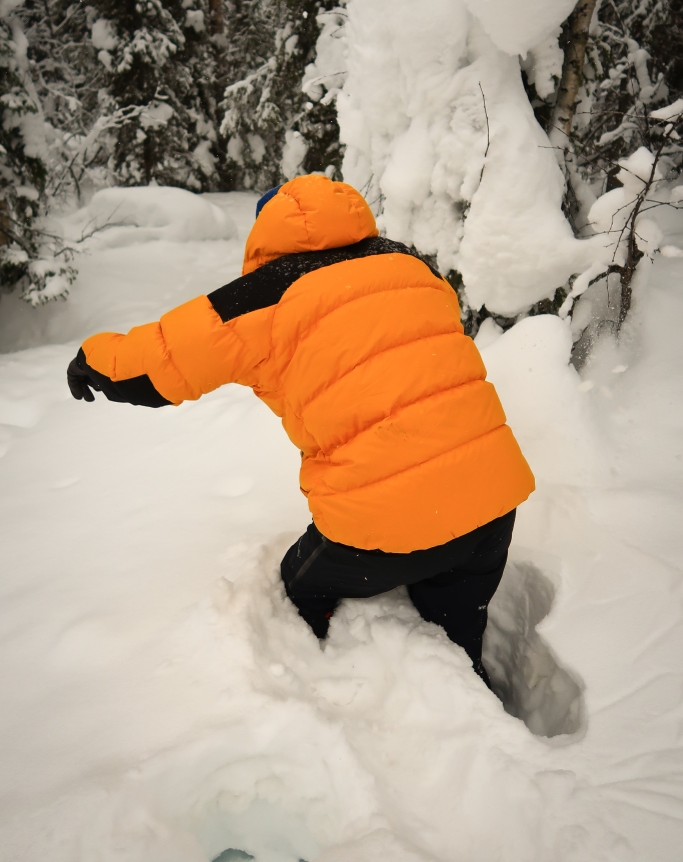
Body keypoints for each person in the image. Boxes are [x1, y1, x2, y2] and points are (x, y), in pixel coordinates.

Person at [67, 173, 534, 684]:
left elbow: (161, 358)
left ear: (267, 233)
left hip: (382, 530)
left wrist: (93, 358)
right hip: (492, 509)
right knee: (458, 627)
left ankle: (315, 690)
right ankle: (472, 686)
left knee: (296, 591)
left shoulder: (267, 292)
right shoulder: (411, 265)